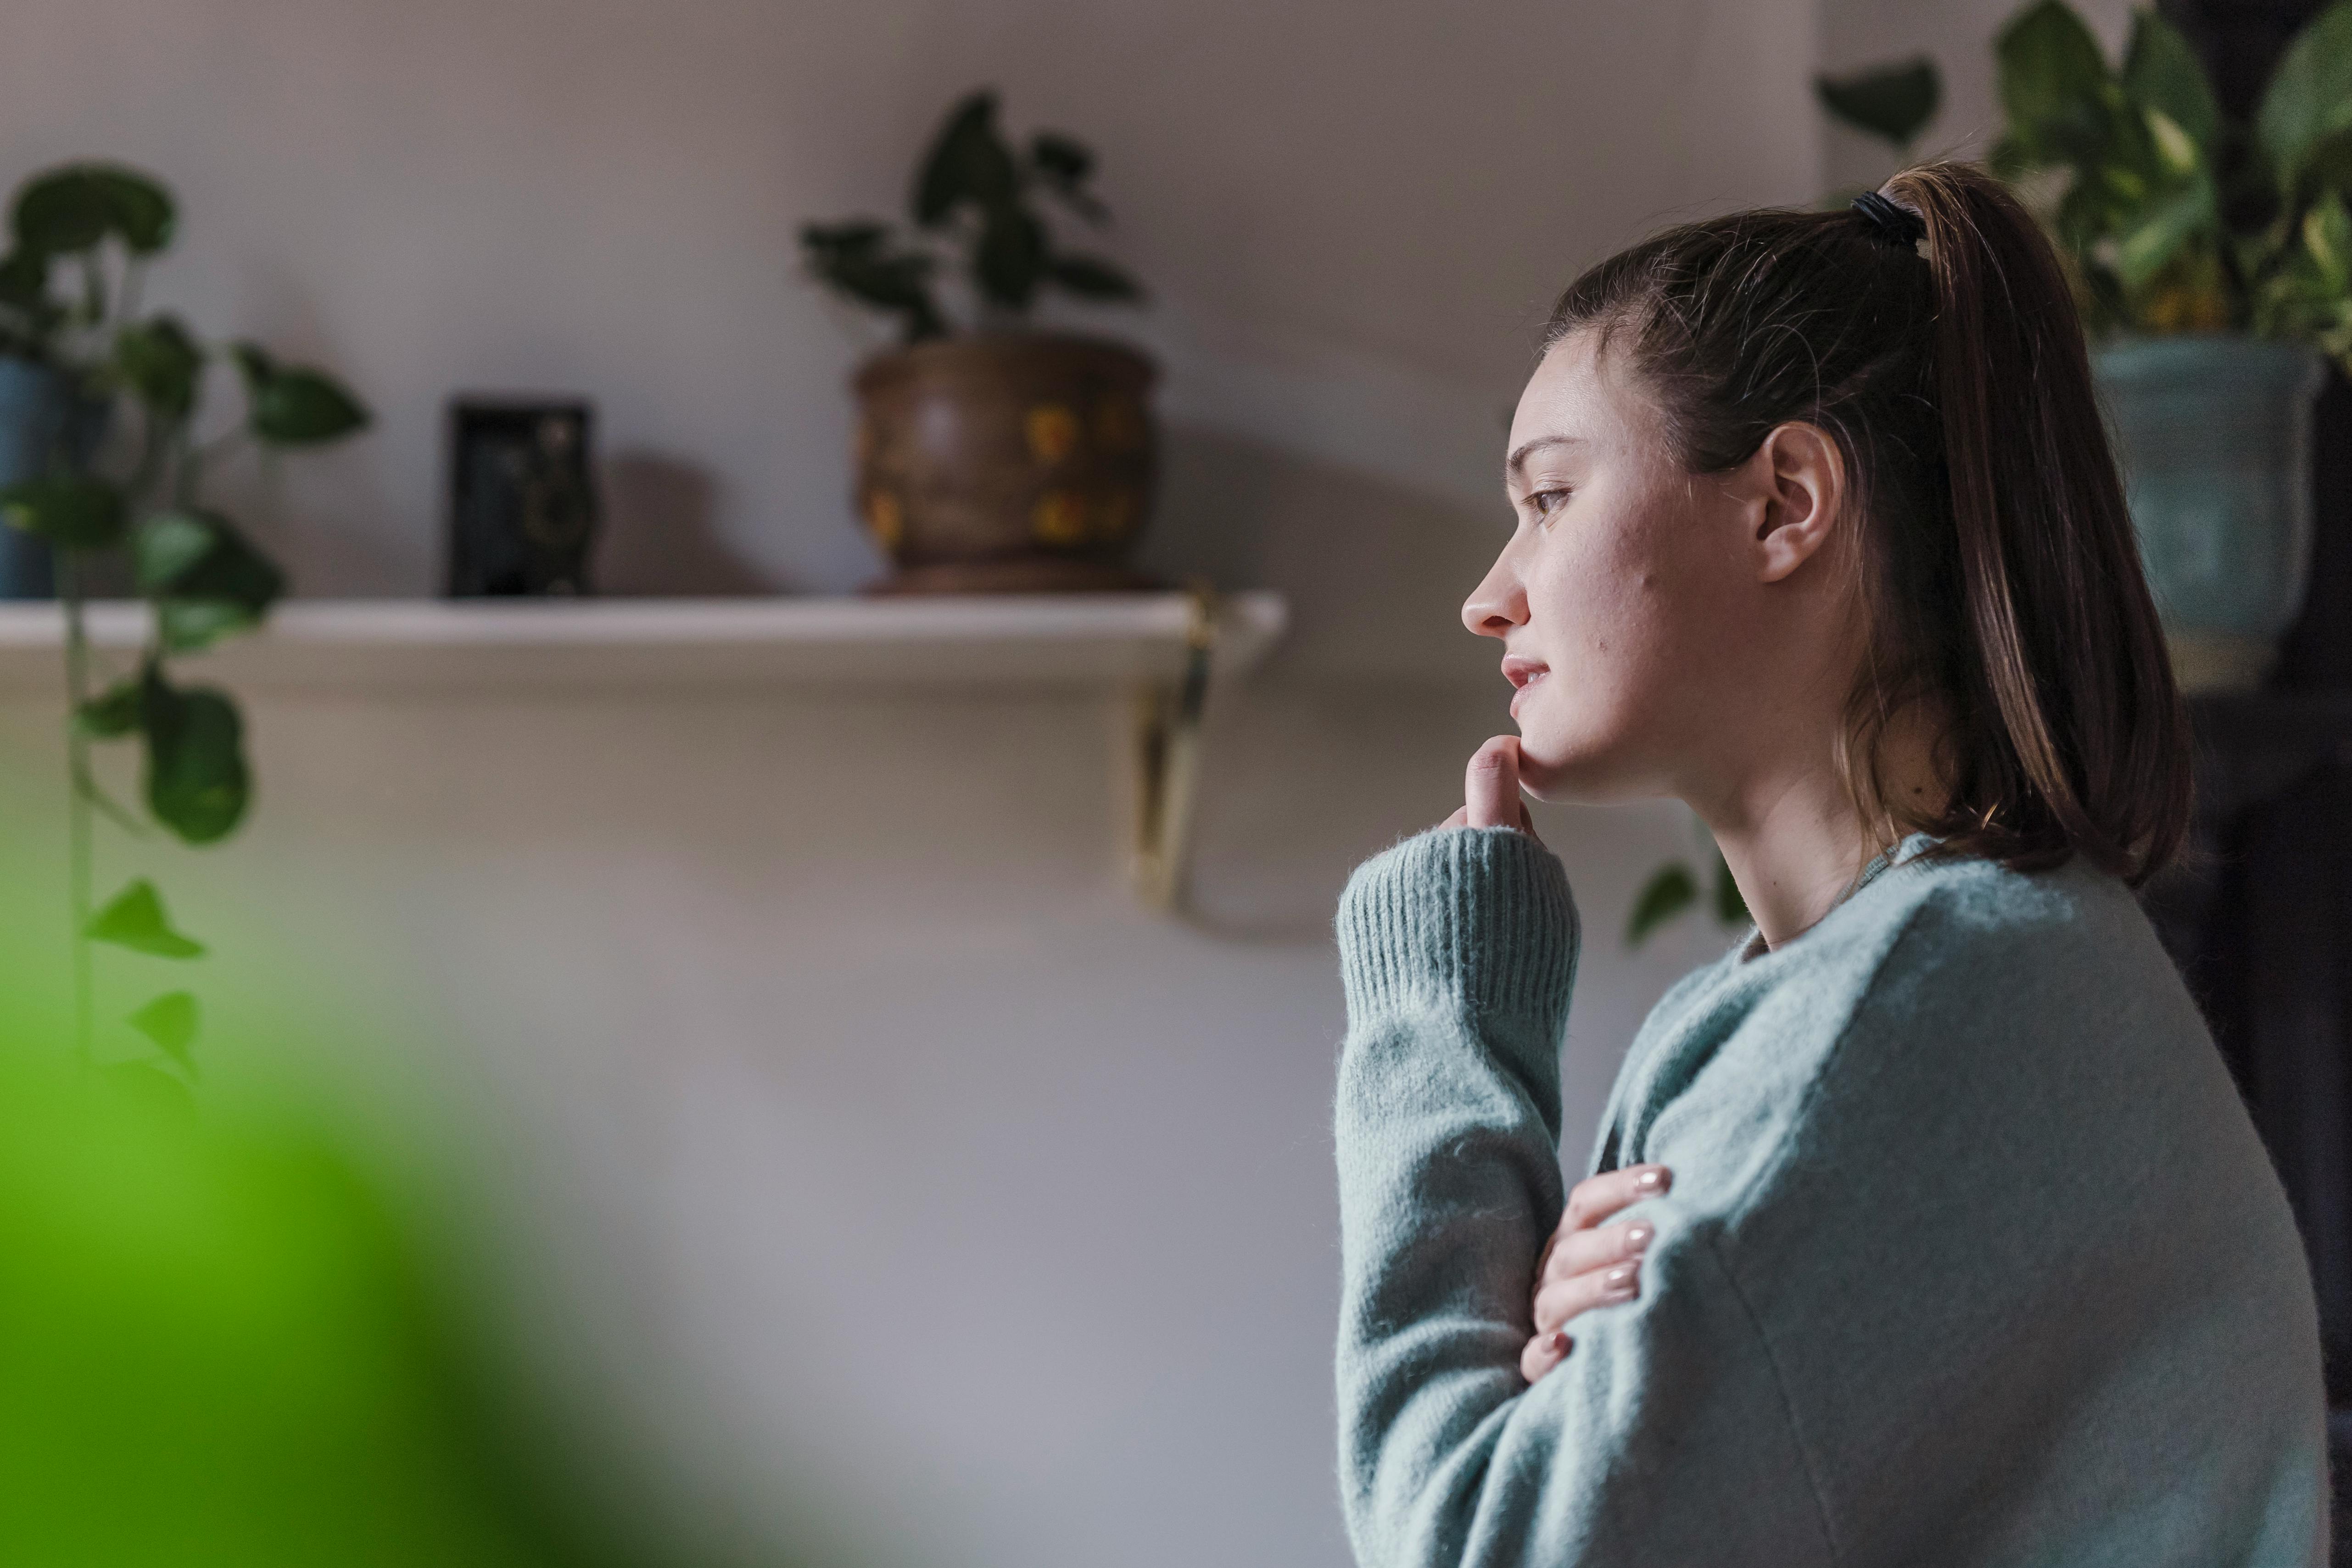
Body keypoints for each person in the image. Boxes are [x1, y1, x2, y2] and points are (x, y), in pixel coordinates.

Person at [1330, 162, 2328, 1567]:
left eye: (1550, 498)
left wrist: (1437, 1025)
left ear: (1787, 500)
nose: (1490, 593)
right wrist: (1546, 1364)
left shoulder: (1920, 1008)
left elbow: (1474, 1549)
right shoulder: (1940, 978)